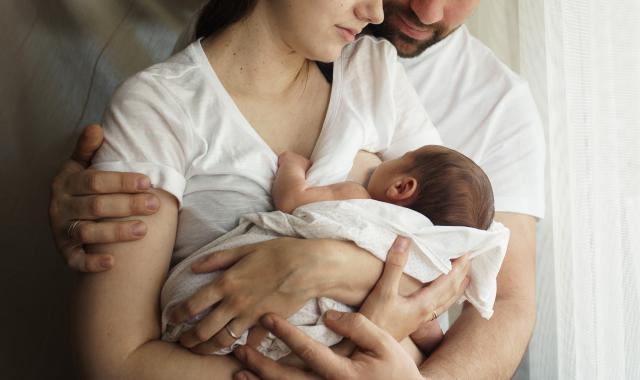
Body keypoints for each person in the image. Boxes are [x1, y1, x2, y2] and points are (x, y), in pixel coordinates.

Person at [50, 0, 544, 378]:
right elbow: (117, 358)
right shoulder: (163, 105)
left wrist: (321, 265)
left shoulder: (375, 71)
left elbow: (461, 266)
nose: (375, 10)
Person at [273, 145, 495, 230]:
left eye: (402, 157)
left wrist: (292, 165)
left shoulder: (355, 196)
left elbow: (291, 200)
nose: (384, 158)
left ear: (400, 187)